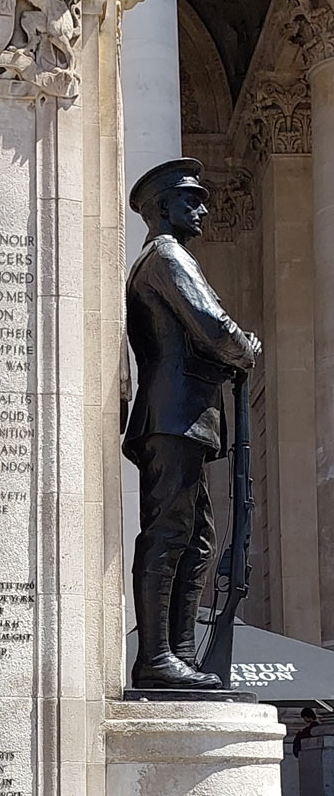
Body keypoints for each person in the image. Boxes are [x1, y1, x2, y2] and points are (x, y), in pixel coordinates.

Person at [123, 158, 261, 691]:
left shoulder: (166, 257)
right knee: (170, 532)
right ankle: (156, 658)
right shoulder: (166, 257)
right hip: (173, 413)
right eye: (191, 200)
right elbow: (211, 326)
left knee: (197, 538)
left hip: (185, 415)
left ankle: (178, 655)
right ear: (162, 208)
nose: (202, 209)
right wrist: (242, 348)